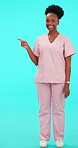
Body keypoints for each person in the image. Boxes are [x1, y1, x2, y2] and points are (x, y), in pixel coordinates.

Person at [17, 5, 76, 148]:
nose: (49, 23)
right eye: (47, 21)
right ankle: (44, 137)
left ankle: (59, 138)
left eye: (53, 21)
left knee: (58, 110)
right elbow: (37, 61)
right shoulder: (40, 39)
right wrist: (28, 48)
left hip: (59, 81)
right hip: (42, 79)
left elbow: (68, 64)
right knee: (43, 110)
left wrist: (67, 83)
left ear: (58, 22)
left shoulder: (65, 40)